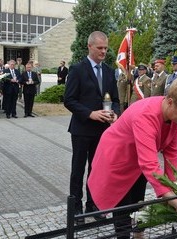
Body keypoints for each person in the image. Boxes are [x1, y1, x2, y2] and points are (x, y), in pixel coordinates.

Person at [87, 79, 177, 239]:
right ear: (171, 102)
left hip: (139, 159)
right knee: (123, 206)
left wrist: (173, 188)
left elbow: (172, 151)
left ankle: (139, 236)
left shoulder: (175, 117)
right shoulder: (145, 115)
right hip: (118, 158)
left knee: (139, 201)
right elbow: (150, 165)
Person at [63, 31, 120, 222]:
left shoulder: (110, 72)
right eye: (100, 48)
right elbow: (69, 100)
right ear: (90, 46)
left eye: (106, 48)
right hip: (82, 129)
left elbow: (116, 100)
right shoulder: (78, 69)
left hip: (102, 131)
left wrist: (115, 113)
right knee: (78, 170)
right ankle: (76, 208)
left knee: (96, 170)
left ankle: (93, 205)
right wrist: (90, 113)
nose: (104, 51)